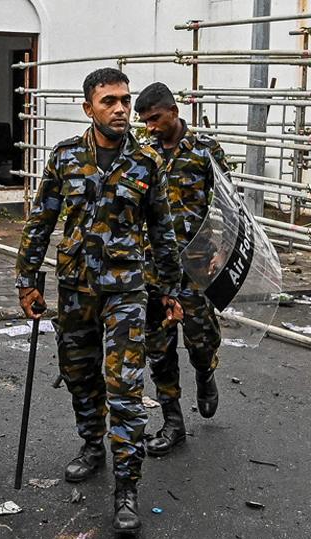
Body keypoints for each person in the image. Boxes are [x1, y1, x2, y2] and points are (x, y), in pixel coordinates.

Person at [14, 68, 183, 535]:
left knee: (126, 390)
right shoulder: (65, 157)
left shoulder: (147, 163)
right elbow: (40, 221)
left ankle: (126, 490)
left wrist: (169, 290)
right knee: (78, 374)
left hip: (127, 292)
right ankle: (92, 444)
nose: (121, 109)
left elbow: (162, 233)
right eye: (109, 101)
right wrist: (26, 281)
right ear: (88, 108)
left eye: (125, 101)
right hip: (75, 289)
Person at [133, 82, 227, 456]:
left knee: (201, 339)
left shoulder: (205, 151)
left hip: (197, 265)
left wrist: (221, 250)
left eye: (155, 118)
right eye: (145, 122)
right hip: (154, 268)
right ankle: (172, 422)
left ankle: (205, 373)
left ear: (173, 110)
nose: (151, 127)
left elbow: (227, 204)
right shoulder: (144, 154)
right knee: (159, 347)